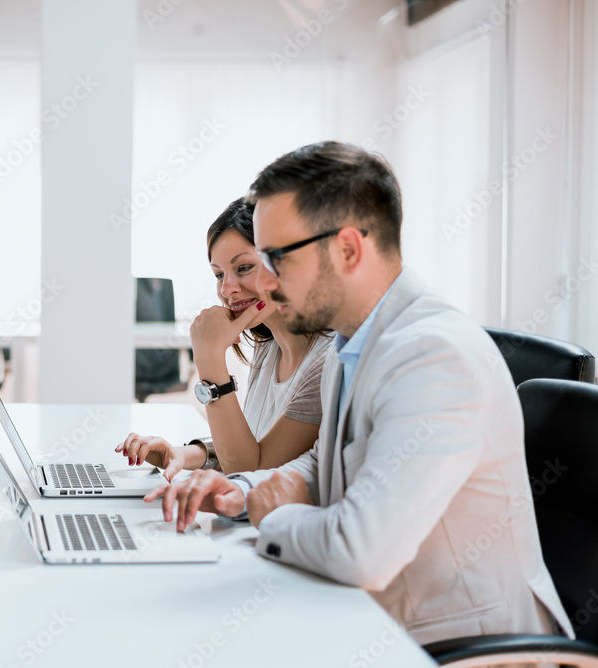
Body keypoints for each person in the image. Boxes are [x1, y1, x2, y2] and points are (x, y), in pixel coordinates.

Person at [148, 141, 572, 645]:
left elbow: (360, 551)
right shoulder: (355, 339)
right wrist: (243, 490)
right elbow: (331, 462)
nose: (263, 281)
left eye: (276, 258)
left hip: (454, 645)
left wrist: (275, 513)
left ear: (348, 249)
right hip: (375, 619)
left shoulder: (435, 357)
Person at [115, 199, 331, 481]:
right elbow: (250, 444)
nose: (227, 289)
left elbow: (248, 473)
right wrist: (181, 454)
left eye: (243, 268)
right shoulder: (270, 347)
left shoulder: (325, 363)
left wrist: (210, 358)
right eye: (219, 274)